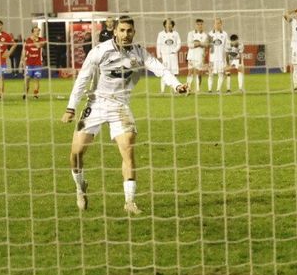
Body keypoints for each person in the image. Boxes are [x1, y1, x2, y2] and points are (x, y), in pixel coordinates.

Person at [62, 16, 189, 215]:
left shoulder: (139, 53)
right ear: (115, 32)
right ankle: (80, 187)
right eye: (122, 30)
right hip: (95, 104)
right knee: (76, 153)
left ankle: (129, 201)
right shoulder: (100, 51)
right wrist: (71, 108)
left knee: (128, 148)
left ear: (134, 32)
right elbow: (82, 79)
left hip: (120, 106)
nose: (125, 34)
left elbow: (160, 69)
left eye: (129, 31)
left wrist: (177, 85)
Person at [156, 19, 181, 93]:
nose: (168, 25)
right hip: (164, 56)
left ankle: (175, 90)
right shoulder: (161, 34)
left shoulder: (176, 34)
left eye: (170, 24)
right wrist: (159, 55)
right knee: (164, 72)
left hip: (173, 56)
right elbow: (158, 45)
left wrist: (174, 51)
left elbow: (179, 43)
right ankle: (162, 90)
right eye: (167, 24)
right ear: (164, 25)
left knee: (174, 73)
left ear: (172, 25)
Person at [22, 25, 47, 99]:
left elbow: (39, 46)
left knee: (36, 79)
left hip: (38, 63)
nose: (38, 32)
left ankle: (35, 95)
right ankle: (25, 94)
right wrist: (22, 60)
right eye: (36, 31)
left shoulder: (42, 39)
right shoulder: (27, 41)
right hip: (29, 63)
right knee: (27, 78)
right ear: (32, 32)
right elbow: (24, 51)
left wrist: (34, 40)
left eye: (38, 31)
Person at [208, 18, 230, 93]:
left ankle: (218, 90)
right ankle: (210, 90)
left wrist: (226, 59)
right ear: (213, 24)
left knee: (221, 74)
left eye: (218, 23)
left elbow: (226, 47)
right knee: (211, 74)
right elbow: (208, 46)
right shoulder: (210, 34)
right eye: (215, 23)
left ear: (221, 24)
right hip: (212, 58)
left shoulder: (224, 34)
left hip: (221, 58)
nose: (217, 25)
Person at [186, 18, 208, 94]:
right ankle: (188, 88)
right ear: (195, 25)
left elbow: (205, 45)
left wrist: (197, 43)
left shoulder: (205, 35)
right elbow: (189, 45)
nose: (200, 26)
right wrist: (200, 44)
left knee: (199, 73)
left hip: (200, 56)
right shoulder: (190, 33)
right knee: (190, 71)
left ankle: (198, 89)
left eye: (201, 24)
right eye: (198, 24)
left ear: (203, 25)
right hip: (191, 56)